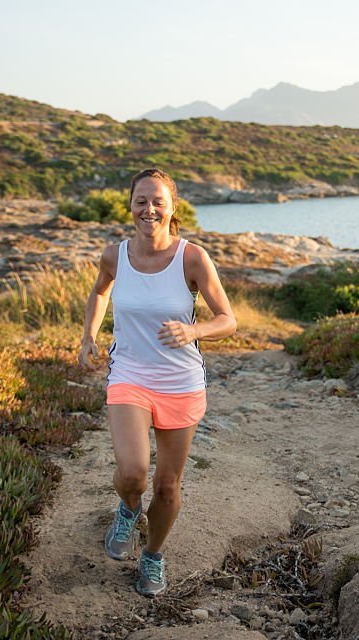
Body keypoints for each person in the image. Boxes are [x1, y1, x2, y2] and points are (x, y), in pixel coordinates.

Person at [78, 168, 237, 597]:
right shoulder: (114, 255)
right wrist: (88, 336)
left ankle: (153, 554)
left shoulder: (192, 258)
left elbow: (228, 320)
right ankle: (128, 509)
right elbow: (99, 292)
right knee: (133, 474)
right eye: (141, 201)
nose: (149, 209)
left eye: (157, 201)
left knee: (167, 485)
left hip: (181, 382)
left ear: (173, 208)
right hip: (129, 374)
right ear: (130, 205)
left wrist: (195, 331)